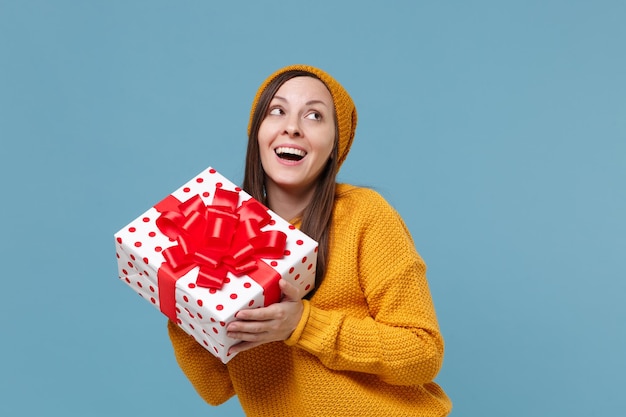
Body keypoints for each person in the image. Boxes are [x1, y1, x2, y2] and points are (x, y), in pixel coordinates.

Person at [167, 64, 452, 416]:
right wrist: (180, 301)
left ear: (336, 144)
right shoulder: (223, 232)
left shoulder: (365, 215)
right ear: (258, 132)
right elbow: (216, 388)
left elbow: (422, 354)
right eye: (277, 110)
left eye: (314, 115)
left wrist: (303, 324)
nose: (292, 127)